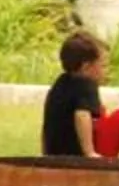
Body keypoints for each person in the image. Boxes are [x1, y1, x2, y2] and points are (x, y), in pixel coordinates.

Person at [41, 30, 110, 158]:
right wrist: (89, 152)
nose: (105, 70)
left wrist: (46, 153)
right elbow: (82, 115)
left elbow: (48, 121)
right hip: (76, 156)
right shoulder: (86, 84)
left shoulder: (60, 83)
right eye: (102, 65)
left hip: (54, 155)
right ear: (86, 67)